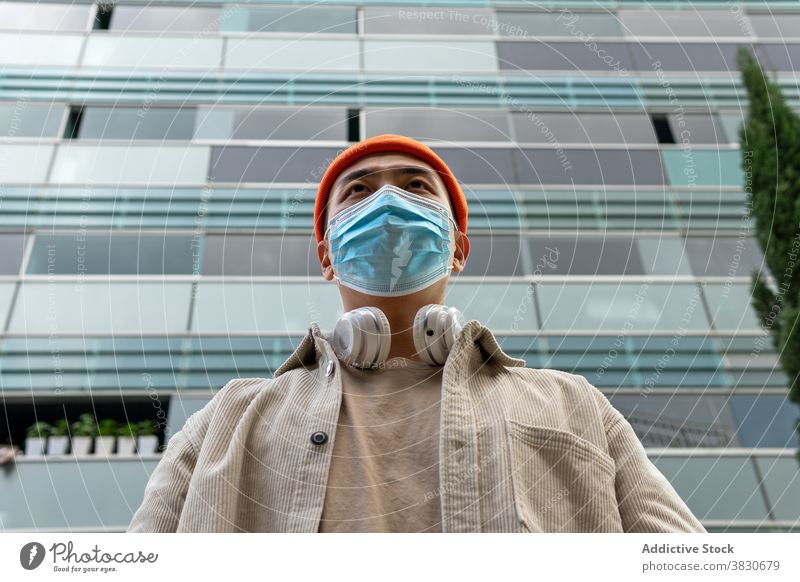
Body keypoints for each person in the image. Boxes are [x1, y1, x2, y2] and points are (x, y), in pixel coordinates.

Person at [127, 134, 706, 533]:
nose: (387, 201)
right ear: (327, 257)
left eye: (415, 186)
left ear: (458, 248)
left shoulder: (574, 404)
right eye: (358, 189)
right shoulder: (225, 421)